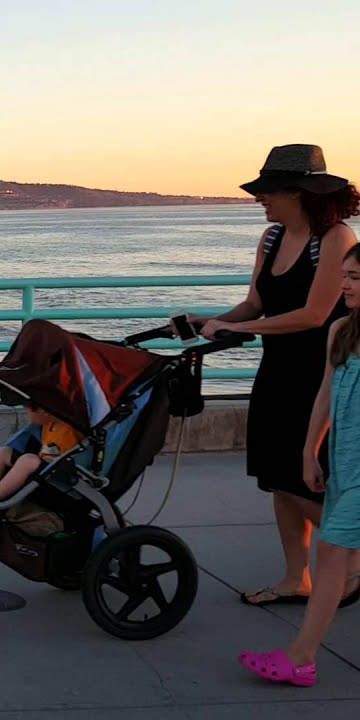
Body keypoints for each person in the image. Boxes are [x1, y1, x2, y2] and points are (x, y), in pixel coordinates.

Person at [192, 145, 360, 606]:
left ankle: (354, 559)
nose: (260, 200)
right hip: (277, 369)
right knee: (276, 478)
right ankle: (295, 578)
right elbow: (255, 303)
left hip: (318, 373)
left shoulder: (335, 239)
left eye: (268, 192)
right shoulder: (270, 238)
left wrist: (239, 327)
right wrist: (208, 321)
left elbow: (314, 314)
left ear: (298, 192)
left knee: (307, 477)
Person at [239, 245, 360, 687]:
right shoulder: (342, 331)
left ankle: (301, 657)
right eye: (345, 275)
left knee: (330, 556)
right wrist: (310, 450)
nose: (345, 284)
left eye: (356, 278)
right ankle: (302, 658)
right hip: (346, 464)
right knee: (332, 558)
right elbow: (325, 395)